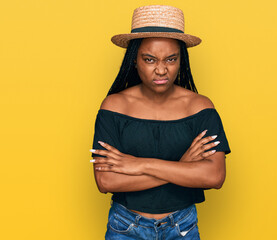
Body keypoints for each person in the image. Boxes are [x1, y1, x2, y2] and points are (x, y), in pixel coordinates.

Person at [89, 5, 231, 240]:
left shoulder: (200, 107)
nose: (161, 69)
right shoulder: (114, 107)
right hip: (125, 227)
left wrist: (139, 164)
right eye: (150, 59)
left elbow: (214, 176)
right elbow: (105, 180)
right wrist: (183, 165)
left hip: (182, 227)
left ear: (181, 61)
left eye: (171, 59)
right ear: (135, 60)